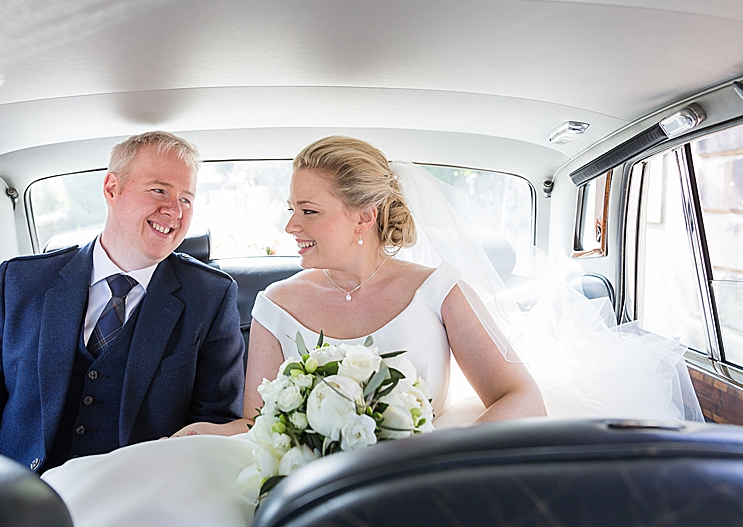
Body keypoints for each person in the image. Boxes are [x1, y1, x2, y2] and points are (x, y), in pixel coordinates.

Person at [42, 136, 700, 527]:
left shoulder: (437, 288)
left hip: (422, 474)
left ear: (364, 214)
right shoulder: (274, 301)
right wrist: (210, 431)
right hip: (295, 472)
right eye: (290, 208)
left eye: (308, 210)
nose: (290, 226)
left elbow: (519, 395)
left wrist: (443, 462)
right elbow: (253, 421)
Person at [0, 131, 245, 474]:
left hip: (138, 500)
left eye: (186, 199)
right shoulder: (21, 283)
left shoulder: (210, 296)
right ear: (112, 189)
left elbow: (217, 424)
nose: (174, 211)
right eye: (159, 190)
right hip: (21, 496)